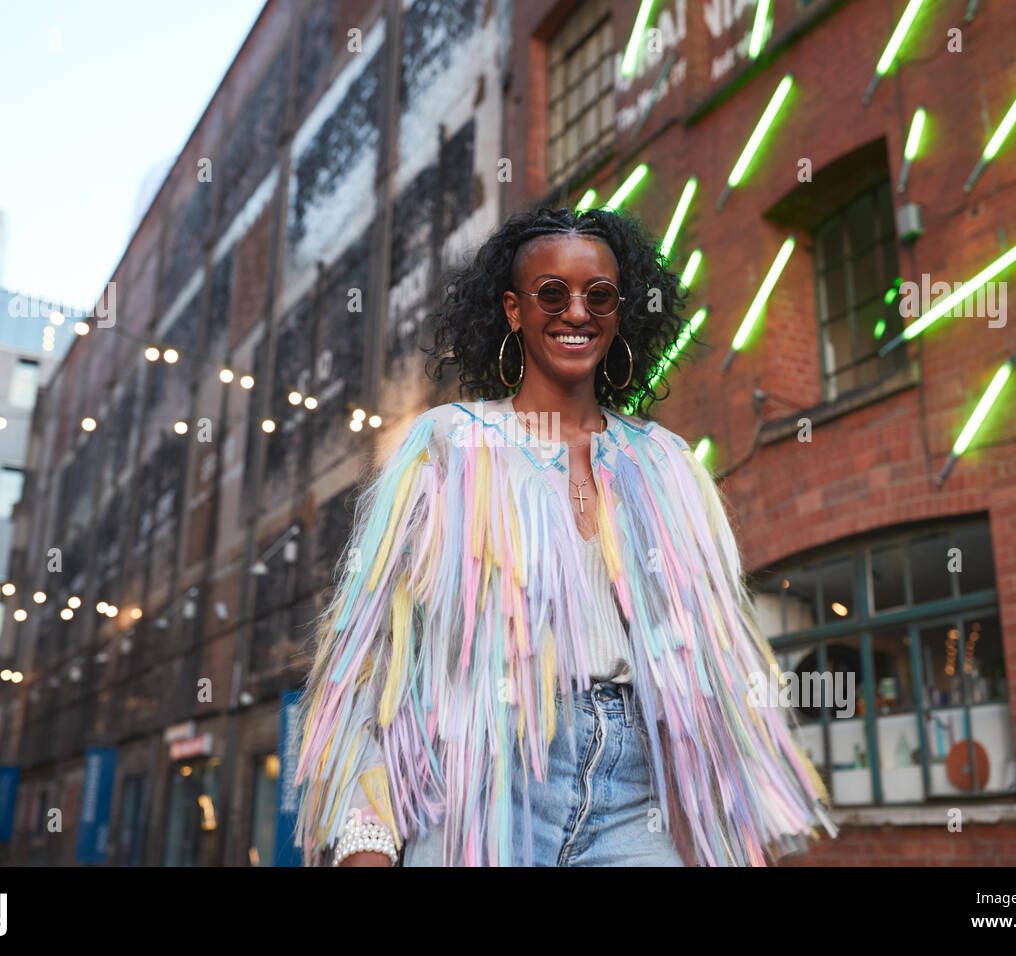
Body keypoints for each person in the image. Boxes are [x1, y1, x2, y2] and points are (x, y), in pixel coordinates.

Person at [293, 206, 837, 866]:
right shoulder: (448, 445)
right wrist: (367, 838)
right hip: (487, 789)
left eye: (598, 295)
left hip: (639, 800)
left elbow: (717, 667)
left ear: (619, 313)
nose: (576, 312)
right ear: (514, 310)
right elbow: (369, 660)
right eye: (552, 293)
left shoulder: (666, 462)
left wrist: (724, 816)